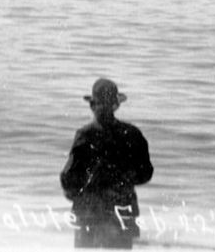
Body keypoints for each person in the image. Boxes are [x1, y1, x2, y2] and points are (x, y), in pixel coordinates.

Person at [61, 78, 154, 248]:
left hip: (89, 210)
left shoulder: (85, 134)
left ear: (92, 106)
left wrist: (73, 193)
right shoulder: (132, 133)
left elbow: (69, 176)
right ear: (116, 105)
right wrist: (124, 179)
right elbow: (146, 173)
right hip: (122, 207)